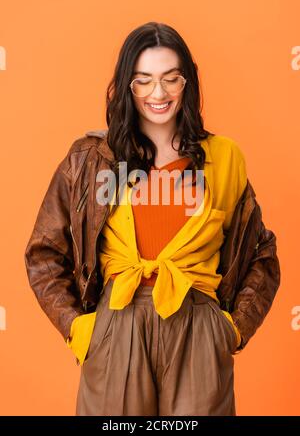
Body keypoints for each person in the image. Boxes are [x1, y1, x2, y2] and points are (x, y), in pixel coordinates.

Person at [24, 22, 280, 416]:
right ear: (127, 86)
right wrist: (81, 330)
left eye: (170, 79)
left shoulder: (224, 157)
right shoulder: (93, 159)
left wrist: (231, 329)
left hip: (197, 324)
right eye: (143, 81)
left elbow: (261, 254)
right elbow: (44, 253)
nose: (157, 94)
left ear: (187, 82)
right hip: (117, 327)